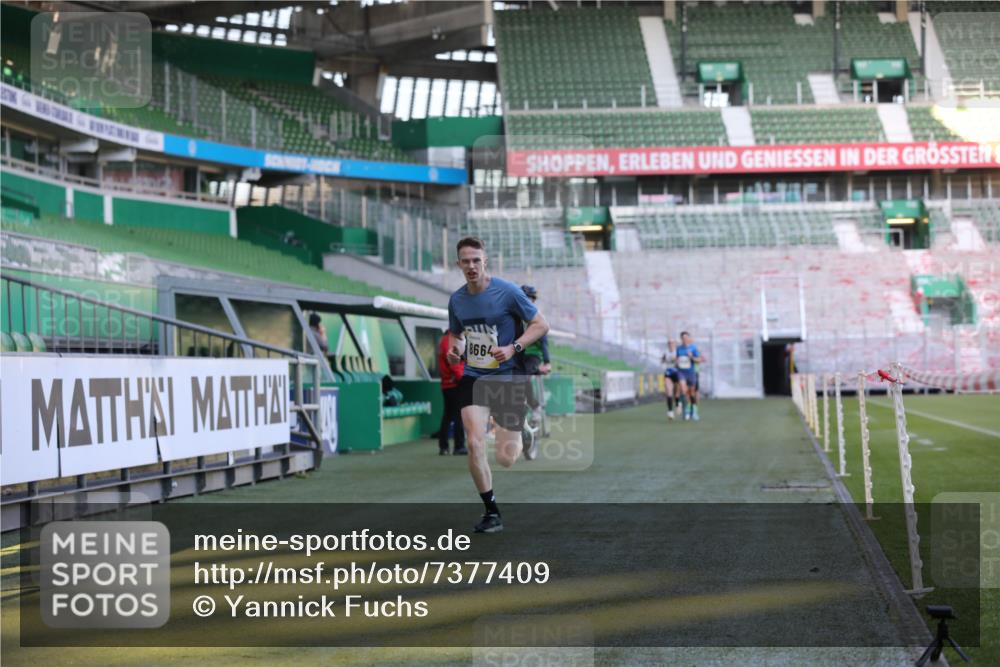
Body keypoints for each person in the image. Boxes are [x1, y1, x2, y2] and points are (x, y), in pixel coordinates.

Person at [447, 237, 549, 533]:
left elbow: (541, 325)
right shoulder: (457, 300)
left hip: (507, 376)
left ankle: (525, 433)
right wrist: (456, 349)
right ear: (459, 264)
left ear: (485, 261)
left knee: (506, 458)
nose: (471, 266)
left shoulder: (507, 292)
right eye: (465, 261)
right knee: (474, 442)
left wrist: (513, 348)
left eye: (476, 260)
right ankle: (491, 512)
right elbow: (457, 335)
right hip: (474, 376)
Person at [519, 285, 552, 460]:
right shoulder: (514, 317)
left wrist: (547, 362)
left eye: (530, 298)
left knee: (524, 378)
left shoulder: (536, 317)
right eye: (526, 297)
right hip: (517, 354)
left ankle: (535, 406)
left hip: (532, 356)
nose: (528, 301)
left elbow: (544, 341)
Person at [436, 329, 468, 456]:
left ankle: (443, 447)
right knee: (458, 416)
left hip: (447, 383)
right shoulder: (450, 341)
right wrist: (464, 379)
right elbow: (454, 364)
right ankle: (459, 446)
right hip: (454, 384)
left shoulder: (443, 340)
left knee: (448, 416)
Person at [675, 331, 705, 421]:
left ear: (688, 339)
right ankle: (686, 410)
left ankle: (694, 410)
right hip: (681, 372)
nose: (685, 340)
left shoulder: (693, 348)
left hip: (691, 372)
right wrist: (676, 362)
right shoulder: (679, 349)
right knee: (684, 390)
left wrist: (692, 357)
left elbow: (699, 360)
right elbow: (677, 359)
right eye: (683, 338)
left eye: (686, 338)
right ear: (681, 339)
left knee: (692, 393)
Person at [660, 339, 680, 420]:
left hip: (677, 373)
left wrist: (676, 361)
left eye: (672, 343)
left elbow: (680, 361)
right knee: (669, 391)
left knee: (677, 392)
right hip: (668, 373)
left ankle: (678, 404)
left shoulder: (678, 351)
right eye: (669, 343)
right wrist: (664, 360)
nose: (670, 344)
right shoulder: (665, 352)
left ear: (675, 344)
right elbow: (662, 361)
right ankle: (670, 411)